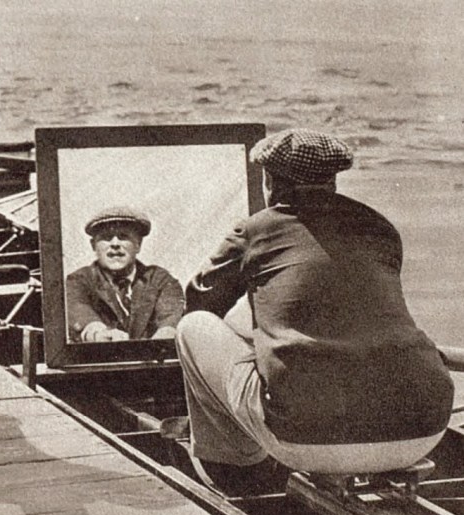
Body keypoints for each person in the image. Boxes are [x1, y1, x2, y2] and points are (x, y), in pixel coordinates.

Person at [176, 129, 454, 481]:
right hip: (424, 429)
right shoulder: (380, 227)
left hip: (306, 440)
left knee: (193, 327)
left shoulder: (255, 230)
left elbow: (200, 301)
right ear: (332, 180)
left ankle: (235, 464)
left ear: (270, 182)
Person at [66, 206, 185, 342]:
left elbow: (170, 318)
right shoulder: (79, 280)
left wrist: (165, 335)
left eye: (123, 237)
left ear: (138, 244)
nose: (115, 244)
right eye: (106, 238)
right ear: (93, 245)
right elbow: (78, 309)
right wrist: (98, 333)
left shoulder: (160, 280)